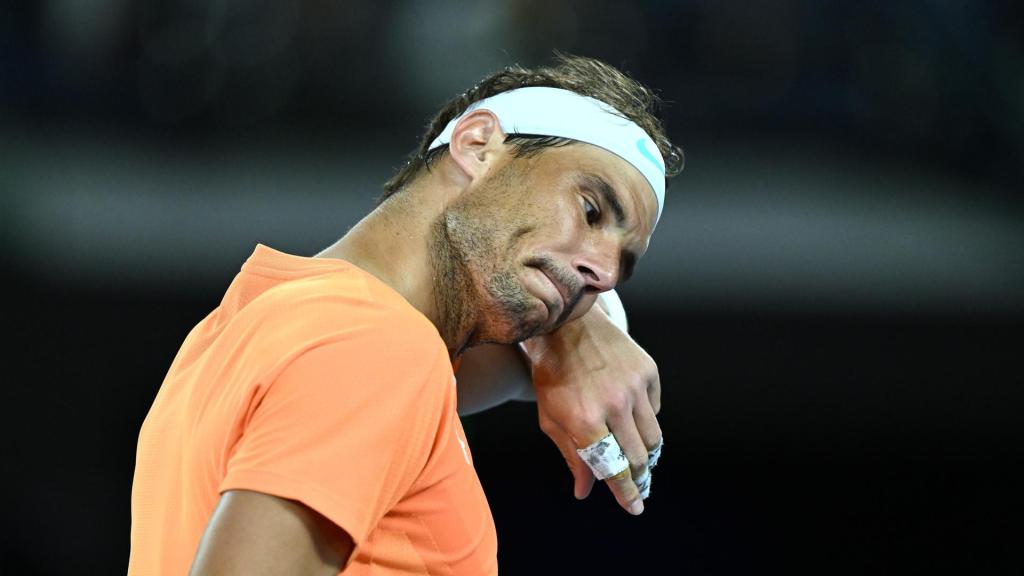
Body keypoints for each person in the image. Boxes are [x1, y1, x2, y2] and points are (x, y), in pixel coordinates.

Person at [129, 53, 684, 575]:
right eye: (590, 210)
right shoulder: (379, 345)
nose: (605, 273)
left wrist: (579, 327)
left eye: (623, 263)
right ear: (477, 145)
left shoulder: (248, 327)